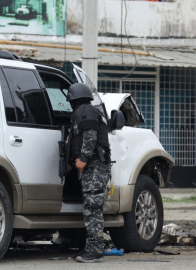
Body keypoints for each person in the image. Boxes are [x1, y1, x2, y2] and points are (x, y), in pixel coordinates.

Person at [66, 83, 111, 263]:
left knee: (93, 208)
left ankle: (95, 249)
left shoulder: (85, 111)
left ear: (74, 98)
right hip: (94, 167)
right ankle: (91, 246)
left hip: (94, 166)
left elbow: (90, 135)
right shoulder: (88, 110)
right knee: (91, 207)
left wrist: (83, 158)